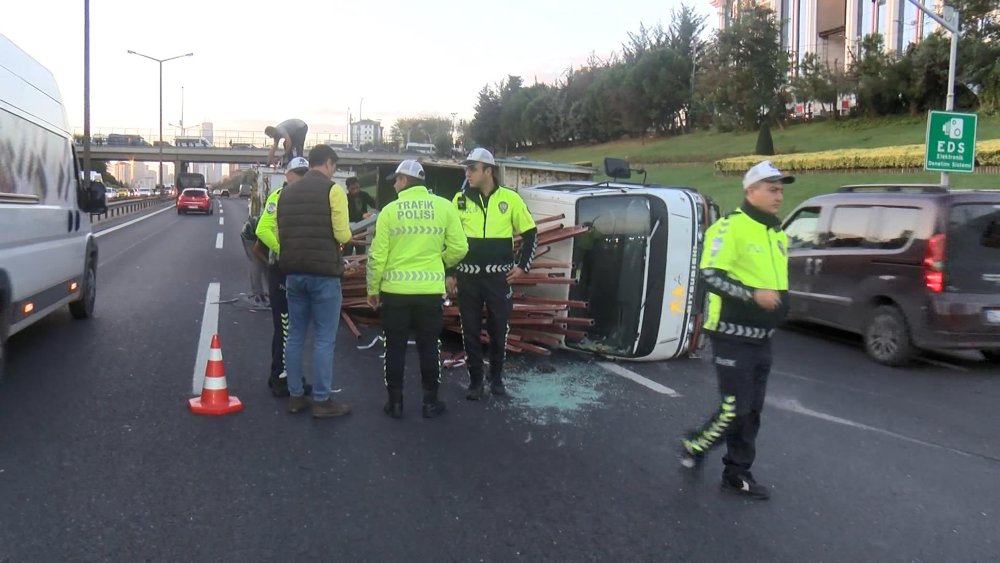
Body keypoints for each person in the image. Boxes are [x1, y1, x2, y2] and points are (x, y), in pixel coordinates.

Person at [678, 160, 792, 500]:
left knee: (752, 410)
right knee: (734, 408)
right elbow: (709, 275)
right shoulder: (731, 227)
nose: (779, 196)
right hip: (731, 334)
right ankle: (695, 444)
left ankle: (737, 473)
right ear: (750, 191)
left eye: (781, 189)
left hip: (762, 339)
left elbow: (774, 283)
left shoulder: (776, 232)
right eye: (772, 189)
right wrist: (753, 297)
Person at [366, 160, 467, 419]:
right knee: (429, 346)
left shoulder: (390, 211)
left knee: (395, 347)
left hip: (395, 292)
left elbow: (377, 256)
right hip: (429, 292)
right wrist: (439, 261)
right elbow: (460, 248)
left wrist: (373, 289)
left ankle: (396, 403)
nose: (394, 184)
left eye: (396, 180)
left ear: (404, 180)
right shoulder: (444, 207)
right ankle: (430, 402)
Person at [446, 148, 537, 400]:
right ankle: (475, 381)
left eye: (472, 168)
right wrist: (450, 272)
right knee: (471, 331)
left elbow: (530, 234)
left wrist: (522, 266)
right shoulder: (459, 200)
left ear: (488, 170)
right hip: (468, 278)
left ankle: (496, 379)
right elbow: (449, 239)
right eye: (467, 168)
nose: (468, 173)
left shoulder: (511, 199)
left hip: (499, 279)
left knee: (499, 330)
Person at [276, 145, 352, 418]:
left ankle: (296, 396)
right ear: (329, 163)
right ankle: (321, 400)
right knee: (323, 338)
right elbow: (343, 235)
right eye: (335, 166)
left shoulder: (286, 192)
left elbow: (279, 231)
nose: (334, 172)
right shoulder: (333, 191)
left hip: (293, 273)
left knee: (295, 334)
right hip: (324, 275)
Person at [255, 156, 310, 397]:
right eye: (296, 174)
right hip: (282, 268)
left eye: (304, 174)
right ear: (287, 175)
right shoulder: (278, 197)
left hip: (298, 269)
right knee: (286, 326)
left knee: (294, 327)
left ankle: (286, 373)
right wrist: (281, 249)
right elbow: (261, 229)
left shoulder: (308, 198)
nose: (300, 178)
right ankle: (280, 377)